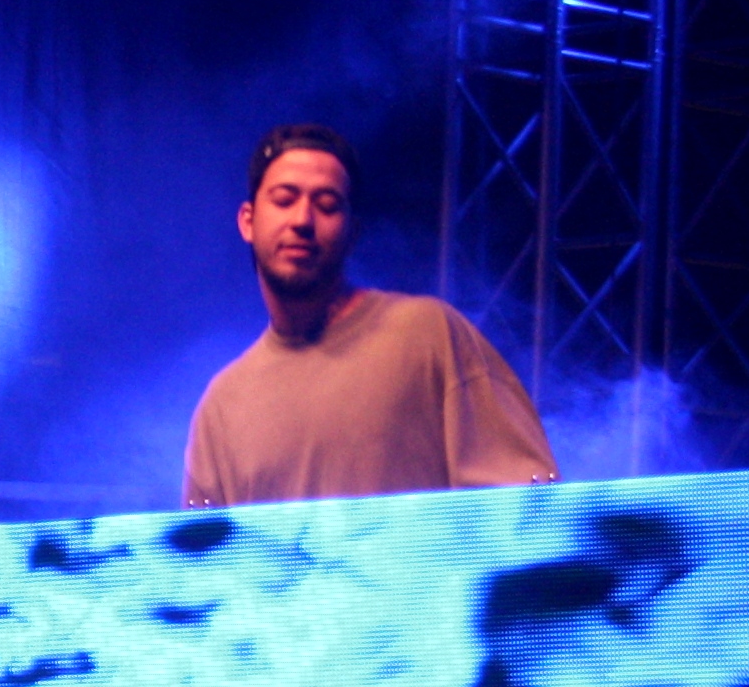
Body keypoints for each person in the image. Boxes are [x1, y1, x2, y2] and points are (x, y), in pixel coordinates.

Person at [182, 124, 556, 506]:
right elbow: (206, 546)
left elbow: (528, 509)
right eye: (284, 200)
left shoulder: (427, 335)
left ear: (352, 231)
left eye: (327, 205)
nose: (302, 220)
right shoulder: (222, 406)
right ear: (248, 221)